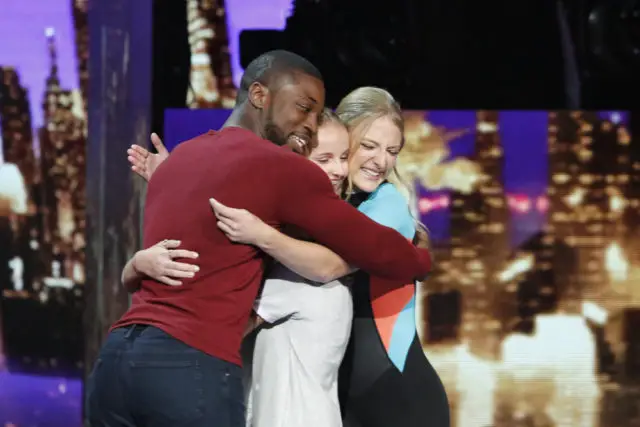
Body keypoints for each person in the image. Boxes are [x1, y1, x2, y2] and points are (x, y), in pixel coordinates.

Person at [85, 51, 432, 427]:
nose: (311, 125)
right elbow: (374, 247)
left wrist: (135, 263)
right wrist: (420, 259)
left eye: (317, 115)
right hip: (188, 369)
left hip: (115, 364)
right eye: (303, 108)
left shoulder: (183, 158)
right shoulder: (283, 169)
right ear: (259, 95)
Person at [126, 109, 353, 427]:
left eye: (344, 157)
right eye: (326, 158)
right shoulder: (279, 255)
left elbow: (203, 329)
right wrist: (176, 185)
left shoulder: (301, 269)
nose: (341, 170)